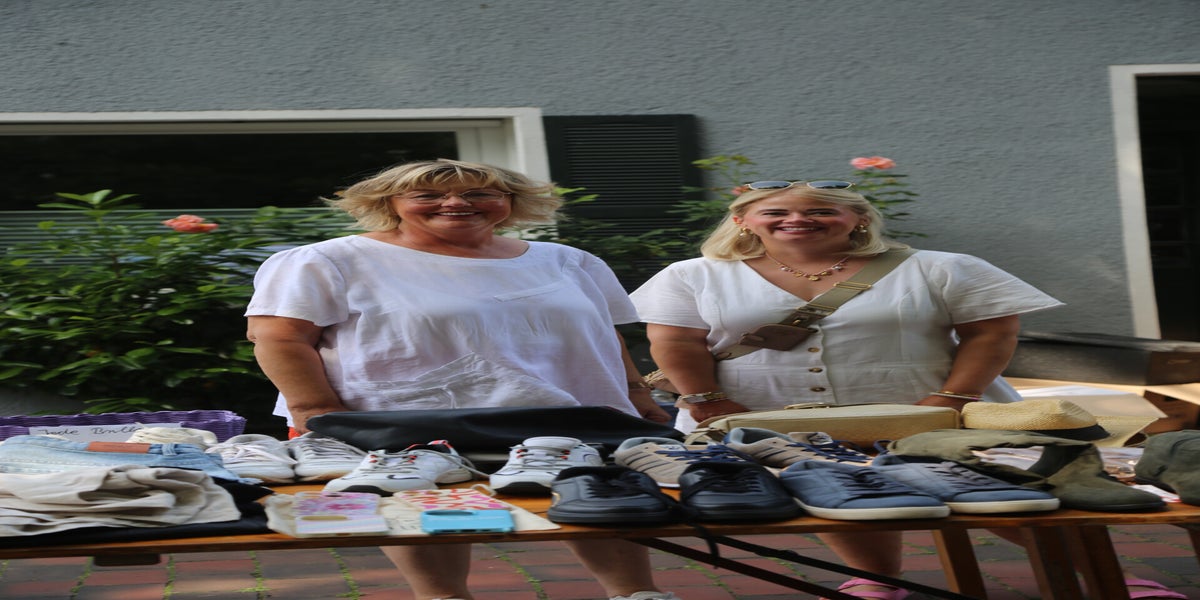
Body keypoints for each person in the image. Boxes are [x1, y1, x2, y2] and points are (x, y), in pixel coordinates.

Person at [244, 158, 675, 600]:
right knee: (419, 507)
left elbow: (603, 334)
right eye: (427, 195)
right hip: (403, 424)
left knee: (596, 498)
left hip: (570, 418)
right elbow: (278, 338)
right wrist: (316, 410)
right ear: (389, 203)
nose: (455, 203)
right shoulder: (330, 260)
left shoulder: (568, 261)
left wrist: (635, 393)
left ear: (510, 201)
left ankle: (637, 594)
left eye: (478, 193)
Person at [629, 178, 1070, 600]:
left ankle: (1087, 570)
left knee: (996, 495)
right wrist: (708, 398)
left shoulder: (940, 267)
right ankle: (876, 580)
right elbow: (675, 341)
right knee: (829, 486)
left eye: (822, 210)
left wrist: (954, 397)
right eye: (775, 212)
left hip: (927, 410)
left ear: (859, 218)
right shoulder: (693, 275)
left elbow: (991, 333)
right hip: (757, 411)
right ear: (743, 220)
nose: (797, 219)